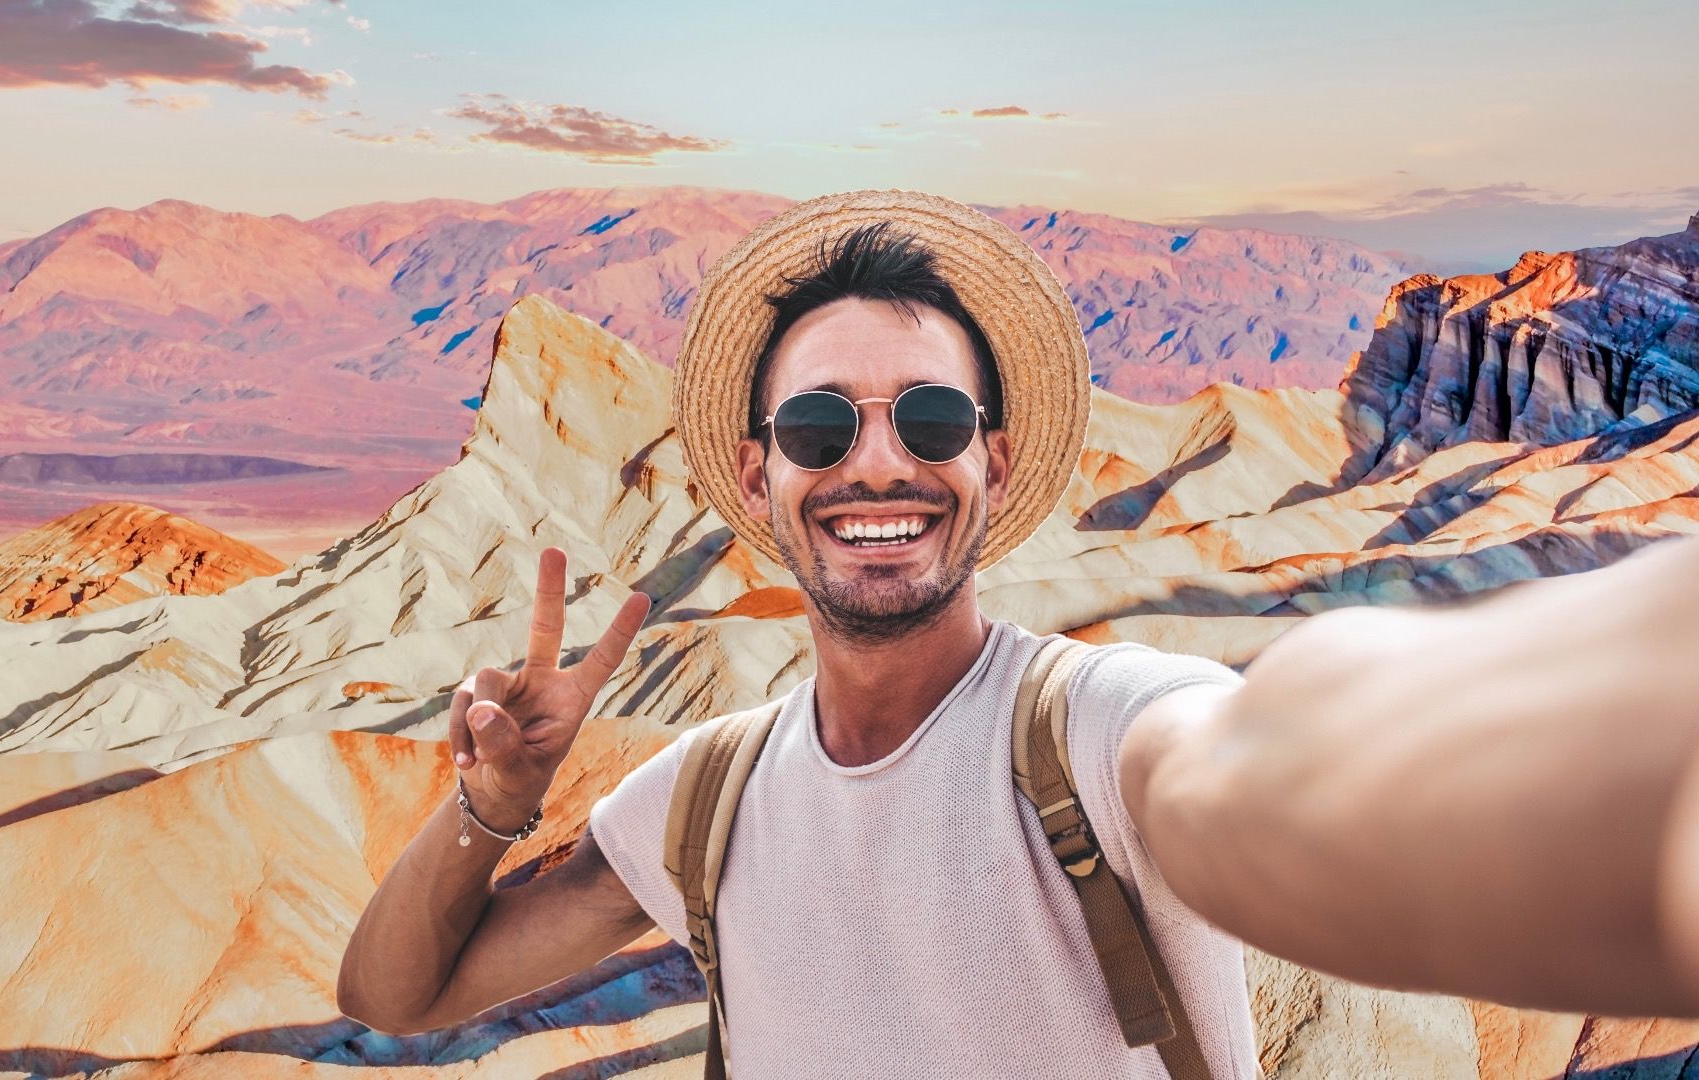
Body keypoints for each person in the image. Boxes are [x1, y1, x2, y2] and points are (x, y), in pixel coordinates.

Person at [335, 190, 1699, 1075]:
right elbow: (401, 994)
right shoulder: (706, 795)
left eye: (928, 421)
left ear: (991, 460)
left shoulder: (1099, 730)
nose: (877, 464)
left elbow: (1270, 775)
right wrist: (490, 807)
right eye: (820, 426)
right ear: (758, 477)